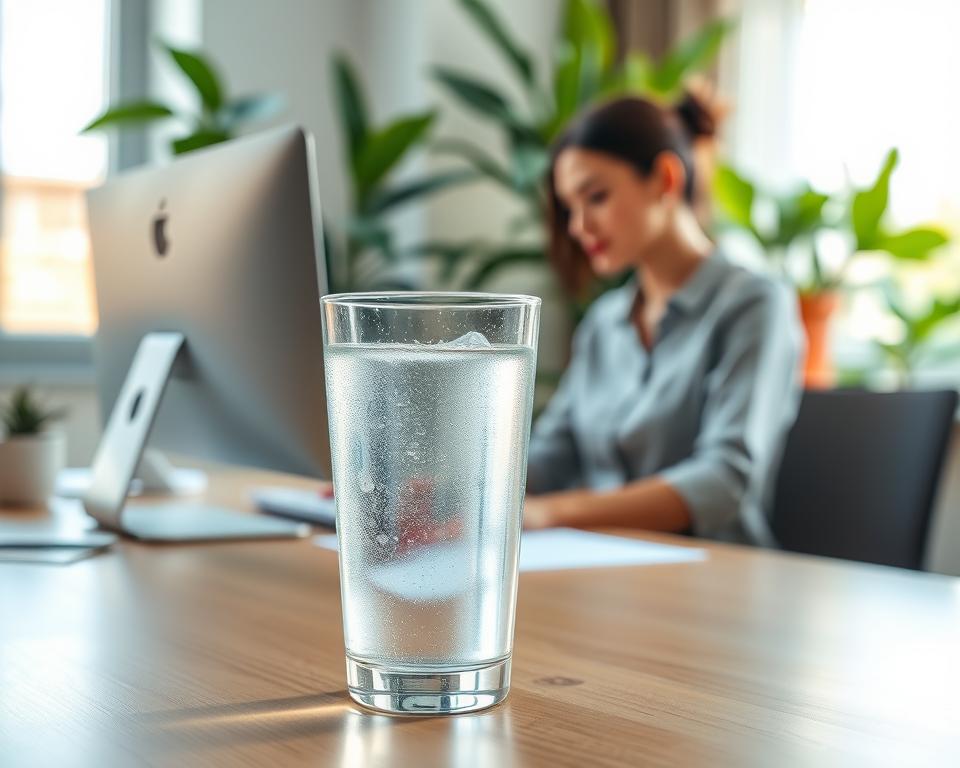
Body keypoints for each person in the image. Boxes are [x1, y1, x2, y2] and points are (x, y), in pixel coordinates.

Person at [522, 94, 804, 546]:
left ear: (665, 179)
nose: (578, 226)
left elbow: (724, 481)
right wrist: (456, 496)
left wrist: (552, 514)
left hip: (714, 578)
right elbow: (552, 453)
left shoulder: (753, 304)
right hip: (600, 570)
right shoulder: (604, 322)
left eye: (595, 197)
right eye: (569, 208)